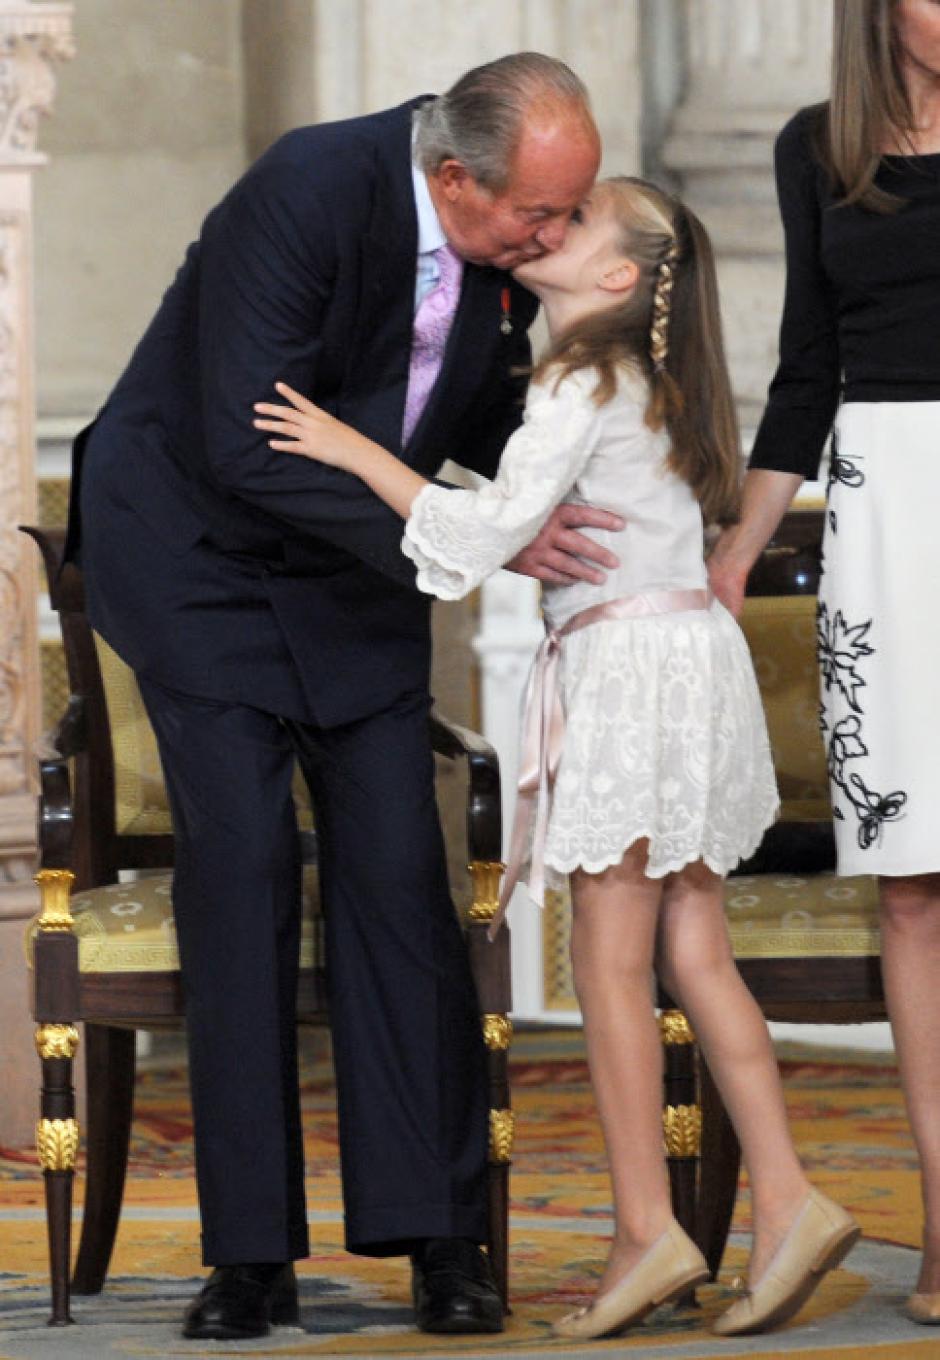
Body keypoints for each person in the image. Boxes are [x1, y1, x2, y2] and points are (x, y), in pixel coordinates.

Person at [254, 174, 860, 1340]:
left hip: (630, 676)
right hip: (687, 659)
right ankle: (784, 1193)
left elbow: (481, 532)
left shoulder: (580, 374)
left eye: (571, 222)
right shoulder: (664, 383)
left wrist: (348, 448)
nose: (545, 226)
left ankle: (649, 1229)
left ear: (618, 278)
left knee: (608, 961)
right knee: (695, 947)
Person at [66, 53, 609, 1341]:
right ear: (453, 178)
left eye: (570, 211)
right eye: (540, 213)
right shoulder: (308, 187)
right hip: (199, 556)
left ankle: (439, 1238)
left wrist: (523, 500)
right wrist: (463, 541)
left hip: (355, 567)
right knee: (244, 865)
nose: (556, 237)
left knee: (397, 882)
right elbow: (249, 430)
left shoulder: (500, 256)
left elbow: (466, 409)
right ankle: (248, 1254)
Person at [707, 0, 940, 1325]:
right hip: (887, 513)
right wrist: (740, 547)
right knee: (912, 889)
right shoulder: (819, 147)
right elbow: (809, 363)